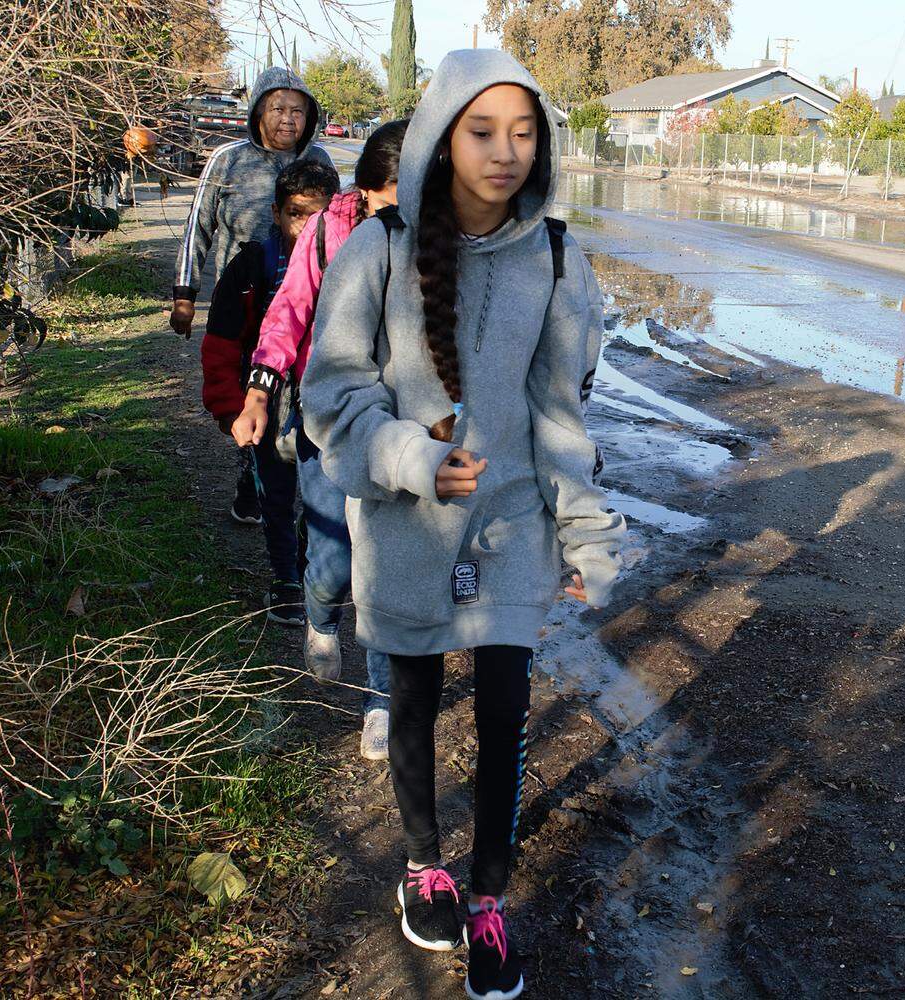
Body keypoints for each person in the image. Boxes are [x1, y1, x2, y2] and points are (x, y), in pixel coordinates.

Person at [301, 50, 625, 999]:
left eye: (525, 133)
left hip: (512, 528)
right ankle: (421, 864)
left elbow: (561, 415)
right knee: (408, 700)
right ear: (443, 140)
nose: (507, 152)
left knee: (504, 710)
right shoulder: (380, 249)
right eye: (484, 131)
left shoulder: (558, 258)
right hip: (404, 530)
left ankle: (487, 897)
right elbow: (332, 393)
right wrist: (408, 457)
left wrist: (586, 534)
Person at [232, 121, 408, 762]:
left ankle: (381, 701)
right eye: (391, 202)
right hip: (325, 417)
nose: (402, 217)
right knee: (333, 561)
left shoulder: (438, 234)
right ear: (365, 190)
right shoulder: (328, 232)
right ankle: (320, 615)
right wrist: (257, 393)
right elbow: (288, 311)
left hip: (398, 430)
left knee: (385, 571)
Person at [171, 66, 335, 527]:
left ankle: (299, 478)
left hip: (305, 309)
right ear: (258, 112)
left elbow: (339, 227)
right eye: (278, 109)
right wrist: (185, 294)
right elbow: (197, 226)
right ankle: (254, 474)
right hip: (242, 305)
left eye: (298, 111)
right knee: (249, 392)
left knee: (298, 394)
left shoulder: (319, 159)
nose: (289, 120)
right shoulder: (228, 159)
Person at [200, 159, 340, 629]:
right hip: (267, 393)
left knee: (322, 493)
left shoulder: (351, 263)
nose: (306, 227)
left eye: (318, 214)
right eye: (296, 214)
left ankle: (307, 564)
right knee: (275, 491)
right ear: (277, 213)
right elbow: (221, 341)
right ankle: (284, 578)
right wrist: (229, 404)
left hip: (327, 396)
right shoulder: (251, 265)